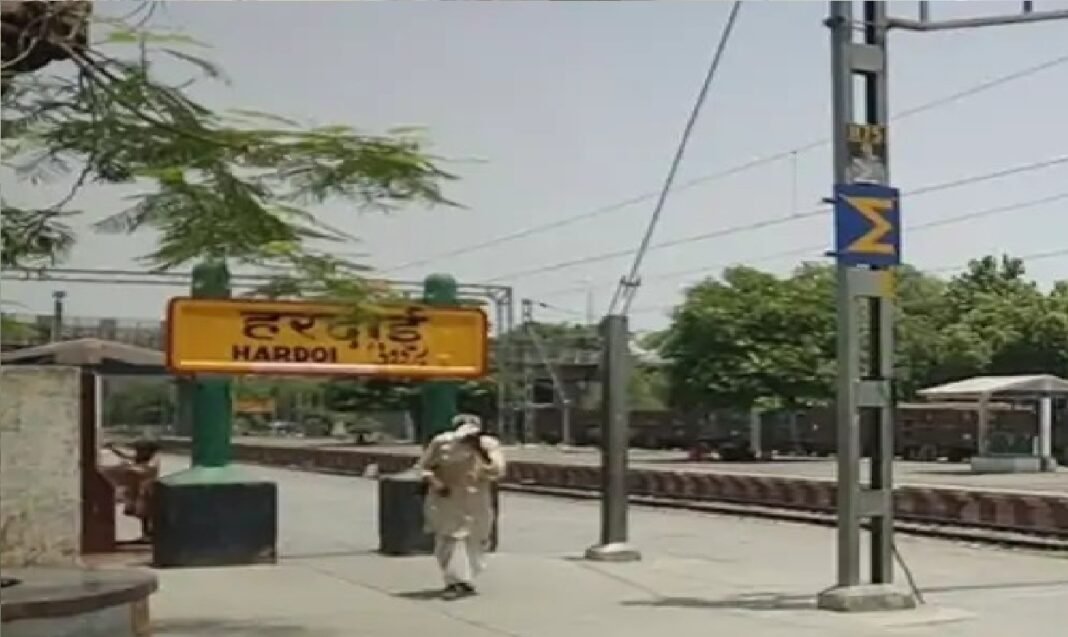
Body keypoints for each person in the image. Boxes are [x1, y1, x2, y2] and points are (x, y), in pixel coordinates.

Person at [415, 414, 505, 600]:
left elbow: (498, 470)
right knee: (449, 539)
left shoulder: (489, 445)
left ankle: (466, 579)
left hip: (476, 499)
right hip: (447, 498)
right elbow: (424, 467)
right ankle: (454, 581)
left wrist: (480, 451)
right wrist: (436, 483)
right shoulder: (442, 443)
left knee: (476, 539)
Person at [100, 439, 162, 541]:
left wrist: (129, 468)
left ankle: (149, 534)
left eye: (141, 450)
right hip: (139, 490)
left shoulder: (153, 461)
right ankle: (146, 534)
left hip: (147, 490)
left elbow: (145, 471)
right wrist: (113, 449)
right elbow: (126, 456)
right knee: (142, 514)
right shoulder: (142, 458)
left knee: (147, 513)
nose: (138, 452)